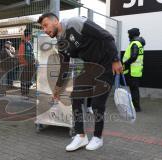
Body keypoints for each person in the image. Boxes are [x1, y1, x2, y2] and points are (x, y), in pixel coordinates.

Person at [37, 13, 123, 151]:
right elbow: (64, 66)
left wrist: (115, 59)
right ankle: (81, 136)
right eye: (42, 28)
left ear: (56, 21)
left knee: (97, 104)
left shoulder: (75, 23)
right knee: (75, 97)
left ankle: (97, 137)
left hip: (106, 64)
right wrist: (58, 88)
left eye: (46, 25)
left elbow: (106, 36)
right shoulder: (61, 42)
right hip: (89, 67)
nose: (45, 30)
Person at [122, 28, 146, 112]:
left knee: (134, 89)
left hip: (132, 70)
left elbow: (133, 57)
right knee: (134, 89)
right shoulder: (138, 43)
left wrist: (125, 64)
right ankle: (135, 106)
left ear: (132, 34)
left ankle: (136, 107)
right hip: (135, 70)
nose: (128, 36)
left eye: (129, 34)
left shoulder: (135, 43)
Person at [18, 28, 36, 98]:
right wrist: (25, 63)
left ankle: (27, 93)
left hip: (31, 65)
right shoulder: (23, 44)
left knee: (28, 80)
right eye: (31, 34)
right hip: (25, 65)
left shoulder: (29, 43)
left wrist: (34, 61)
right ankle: (23, 94)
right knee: (24, 79)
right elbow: (20, 55)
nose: (31, 36)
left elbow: (31, 54)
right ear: (28, 35)